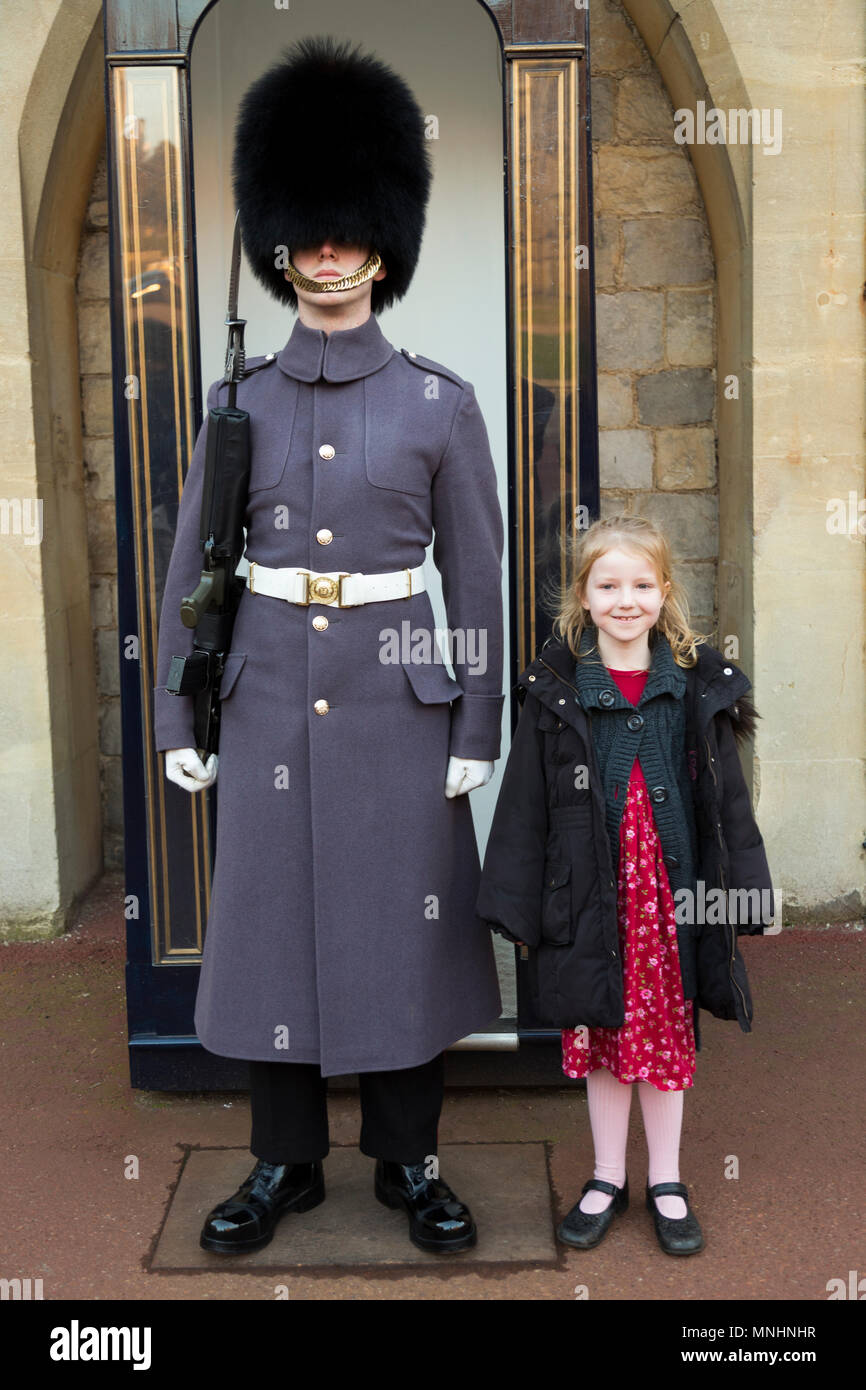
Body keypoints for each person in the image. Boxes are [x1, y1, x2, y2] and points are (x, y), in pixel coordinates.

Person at [153, 36, 505, 1256]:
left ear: (381, 246)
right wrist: (178, 719)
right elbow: (193, 572)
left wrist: (478, 724)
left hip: (399, 703)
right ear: (283, 246)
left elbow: (476, 572)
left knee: (403, 932)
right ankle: (281, 1166)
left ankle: (410, 1158)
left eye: (350, 237)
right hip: (262, 699)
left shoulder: (436, 401)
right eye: (309, 238)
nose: (330, 257)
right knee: (269, 926)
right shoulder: (241, 401)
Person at [476, 514, 774, 1255]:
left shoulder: (697, 689)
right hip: (591, 903)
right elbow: (524, 806)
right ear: (583, 596)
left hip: (668, 902)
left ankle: (666, 1180)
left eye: (641, 584)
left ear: (664, 591)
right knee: (603, 1034)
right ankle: (608, 1176)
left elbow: (727, 806)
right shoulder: (556, 693)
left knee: (666, 1041)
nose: (625, 599)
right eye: (607, 585)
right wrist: (513, 903)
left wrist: (750, 894)